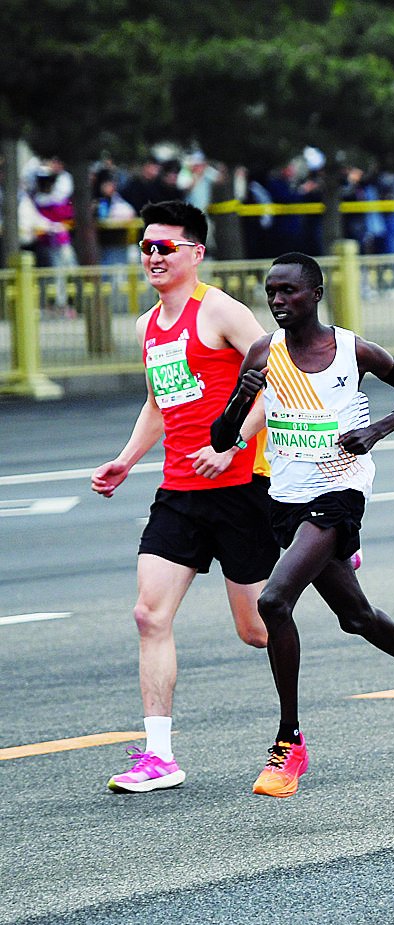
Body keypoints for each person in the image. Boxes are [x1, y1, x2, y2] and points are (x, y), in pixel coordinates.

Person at [211, 253, 394, 797]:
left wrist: (377, 430)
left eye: (289, 292)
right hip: (286, 500)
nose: (277, 300)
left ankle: (288, 742)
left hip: (340, 495)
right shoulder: (263, 353)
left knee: (274, 601)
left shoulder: (353, 350)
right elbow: (222, 439)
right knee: (356, 617)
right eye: (271, 291)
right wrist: (243, 397)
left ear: (316, 293)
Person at [91, 201, 278, 793]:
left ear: (195, 253)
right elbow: (158, 405)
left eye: (165, 247)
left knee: (259, 630)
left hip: (241, 487)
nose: (152, 257)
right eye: (146, 247)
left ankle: (327, 561)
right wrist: (126, 460)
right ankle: (160, 756)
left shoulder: (220, 311)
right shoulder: (150, 326)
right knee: (149, 615)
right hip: (179, 492)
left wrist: (231, 445)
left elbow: (280, 382)